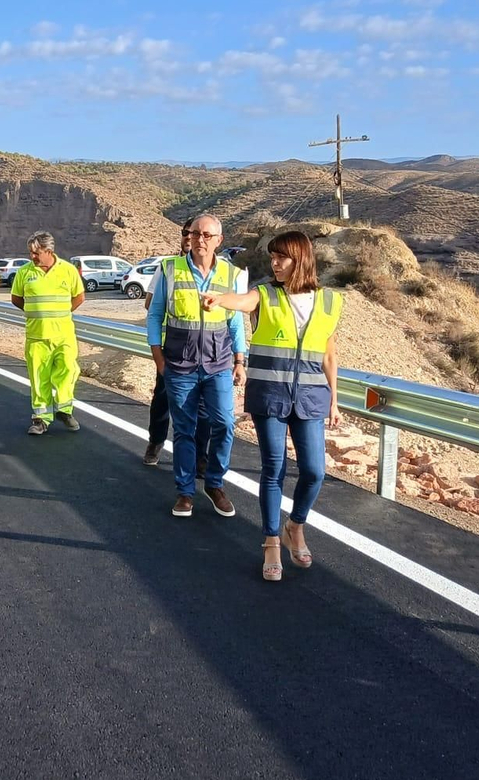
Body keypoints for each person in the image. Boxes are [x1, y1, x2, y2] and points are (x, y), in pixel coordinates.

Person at [203, 230, 344, 582]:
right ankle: (270, 542)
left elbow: (329, 354)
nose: (275, 264)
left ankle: (295, 526)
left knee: (314, 471)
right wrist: (220, 300)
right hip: (270, 396)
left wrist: (335, 400)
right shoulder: (265, 294)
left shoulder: (329, 302)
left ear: (301, 259)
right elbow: (243, 301)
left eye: (282, 257)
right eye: (272, 257)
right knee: (274, 469)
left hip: (311, 398)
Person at [146, 214, 246, 518]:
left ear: (219, 240)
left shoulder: (231, 274)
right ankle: (185, 492)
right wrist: (158, 358)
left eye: (207, 235)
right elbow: (155, 315)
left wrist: (240, 360)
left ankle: (214, 484)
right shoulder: (170, 269)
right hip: (179, 365)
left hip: (218, 364)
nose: (200, 240)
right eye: (195, 233)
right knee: (184, 430)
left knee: (225, 423)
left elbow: (236, 321)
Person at [10, 231, 84, 435]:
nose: (32, 256)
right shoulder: (24, 272)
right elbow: (16, 298)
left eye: (36, 252)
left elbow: (79, 297)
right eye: (30, 252)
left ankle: (64, 410)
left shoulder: (68, 270)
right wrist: (35, 313)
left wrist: (61, 313)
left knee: (68, 370)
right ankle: (41, 419)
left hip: (64, 335)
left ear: (49, 251)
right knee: (38, 378)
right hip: (37, 337)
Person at [142, 219, 196, 466]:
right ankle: (156, 442)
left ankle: (198, 456)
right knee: (163, 398)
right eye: (185, 233)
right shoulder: (168, 267)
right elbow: (150, 304)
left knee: (200, 405)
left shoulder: (219, 270)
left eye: (195, 233)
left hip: (205, 350)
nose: (189, 237)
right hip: (173, 347)